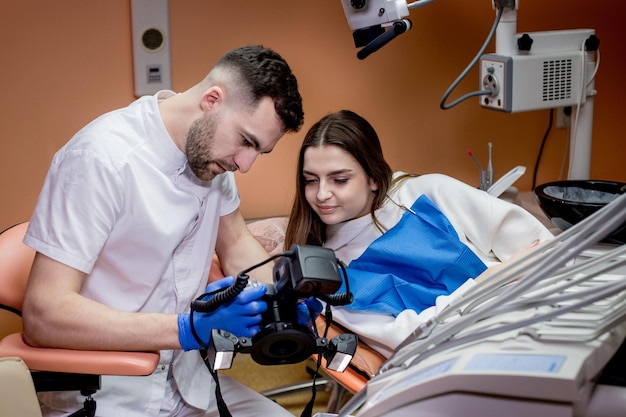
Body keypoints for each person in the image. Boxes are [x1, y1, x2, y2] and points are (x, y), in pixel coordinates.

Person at [22, 45, 305, 417]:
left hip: (187, 381)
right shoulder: (101, 159)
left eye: (259, 152)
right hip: (107, 389)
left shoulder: (213, 162)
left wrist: (287, 295)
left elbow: (236, 244)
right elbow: (43, 314)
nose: (245, 164)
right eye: (247, 141)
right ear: (211, 100)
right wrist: (186, 328)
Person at [284, 109, 554, 358]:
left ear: (374, 178)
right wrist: (491, 279)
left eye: (339, 180)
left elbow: (542, 251)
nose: (321, 194)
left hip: (540, 308)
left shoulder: (425, 193)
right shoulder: (327, 275)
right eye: (310, 180)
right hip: (463, 353)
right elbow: (409, 338)